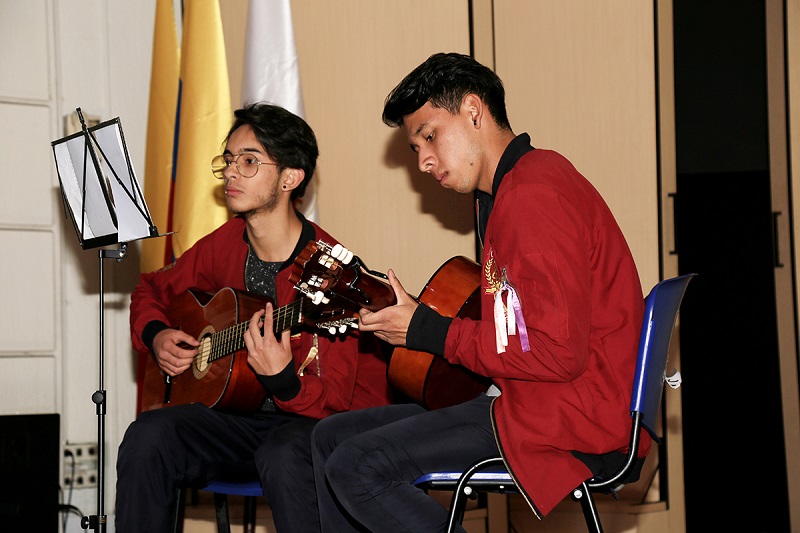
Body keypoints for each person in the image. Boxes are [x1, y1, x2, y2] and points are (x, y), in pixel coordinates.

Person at [311, 52, 646, 532]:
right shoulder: (515, 189)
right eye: (416, 148)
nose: (424, 161)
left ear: (473, 110)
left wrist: (426, 330)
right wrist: (423, 327)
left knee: (355, 467)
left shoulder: (532, 197)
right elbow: (520, 334)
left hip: (567, 418)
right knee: (329, 439)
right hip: (538, 399)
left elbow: (553, 354)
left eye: (429, 136)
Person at [115, 103, 393, 533]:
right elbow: (151, 286)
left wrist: (284, 381)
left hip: (317, 425)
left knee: (281, 453)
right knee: (149, 435)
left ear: (290, 177)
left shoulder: (333, 276)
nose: (231, 173)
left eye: (248, 161)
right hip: (240, 420)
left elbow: (336, 401)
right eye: (228, 161)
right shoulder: (224, 244)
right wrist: (156, 334)